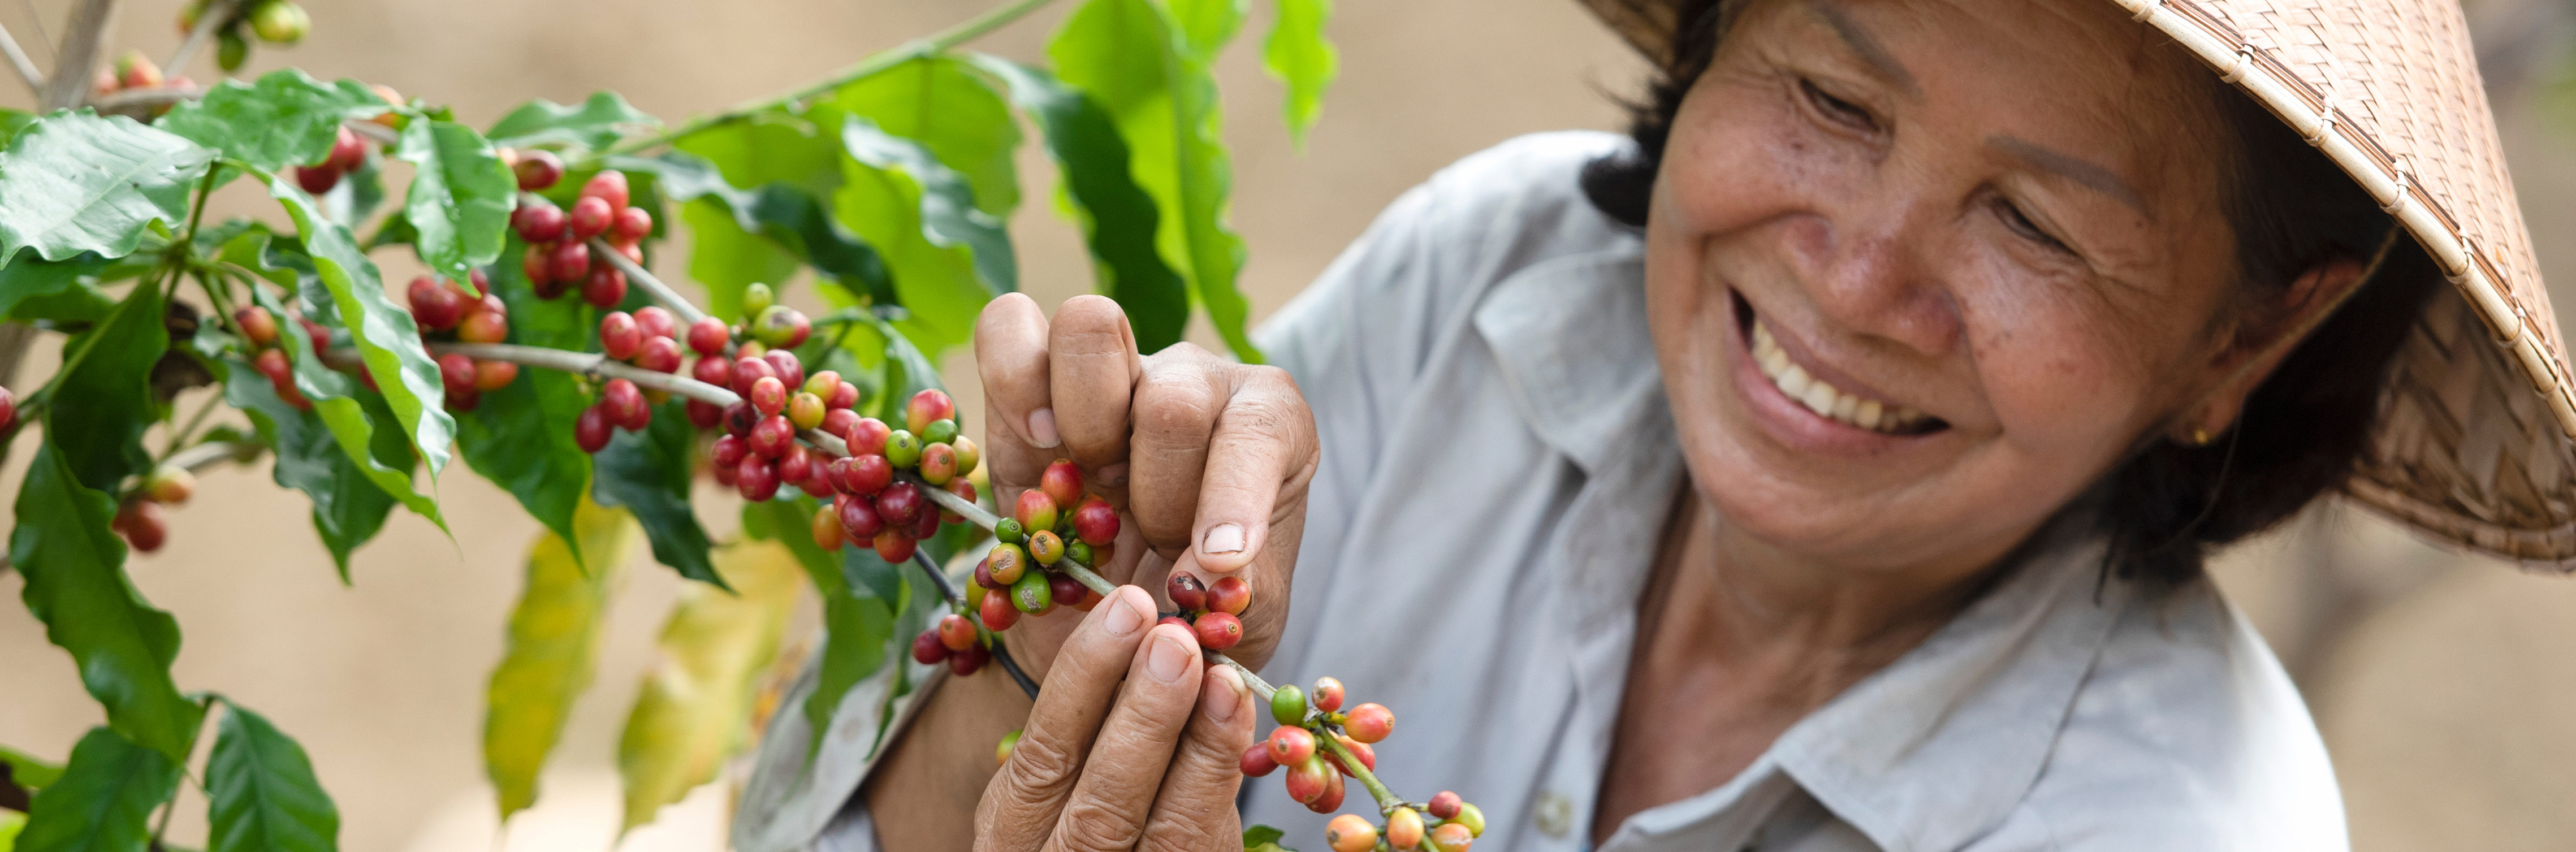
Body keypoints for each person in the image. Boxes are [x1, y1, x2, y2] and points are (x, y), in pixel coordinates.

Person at [737, 0, 2576, 849]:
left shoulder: (2167, 832)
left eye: (2031, 222)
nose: (1858, 280)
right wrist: (1018, 658)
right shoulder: (1487, 288)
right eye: (1828, 96)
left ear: (2247, 334)